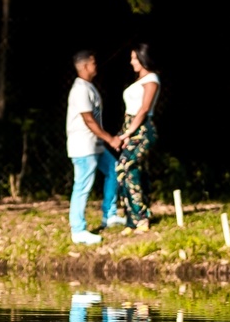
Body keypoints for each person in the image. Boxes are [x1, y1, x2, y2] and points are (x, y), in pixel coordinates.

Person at [66, 51, 124, 245]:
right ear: (84, 66)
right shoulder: (80, 90)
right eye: (93, 63)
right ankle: (78, 230)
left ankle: (110, 215)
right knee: (82, 186)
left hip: (94, 146)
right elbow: (89, 120)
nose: (96, 65)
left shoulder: (88, 87)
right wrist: (111, 139)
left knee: (113, 169)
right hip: (83, 147)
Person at [115, 44, 160, 232]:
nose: (131, 61)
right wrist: (125, 133)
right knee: (128, 170)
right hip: (131, 128)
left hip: (142, 129)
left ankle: (140, 217)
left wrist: (128, 133)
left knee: (127, 166)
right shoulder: (139, 79)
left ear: (143, 58)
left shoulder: (152, 79)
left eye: (134, 58)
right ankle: (133, 218)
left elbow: (144, 109)